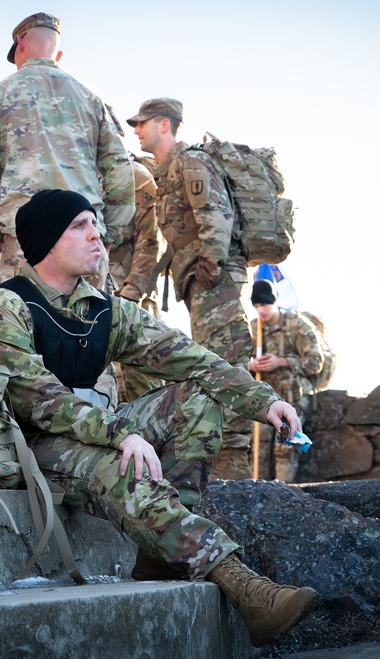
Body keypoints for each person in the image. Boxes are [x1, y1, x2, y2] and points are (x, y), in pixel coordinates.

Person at [0, 189, 320, 647]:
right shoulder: (6, 305)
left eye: (94, 223)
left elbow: (189, 358)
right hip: (33, 446)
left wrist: (263, 401)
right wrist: (121, 433)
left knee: (197, 398)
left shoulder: (104, 310)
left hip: (97, 432)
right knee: (123, 466)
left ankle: (161, 556)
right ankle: (247, 590)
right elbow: (39, 399)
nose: (96, 235)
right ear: (47, 242)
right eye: (79, 226)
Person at [127, 97, 254, 480]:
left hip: (215, 281)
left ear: (164, 124)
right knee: (211, 361)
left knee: (225, 361)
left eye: (143, 122)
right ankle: (222, 458)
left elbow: (216, 214)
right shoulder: (165, 171)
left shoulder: (190, 162)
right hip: (199, 283)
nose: (137, 130)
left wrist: (209, 268)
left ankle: (233, 461)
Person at [0, 12, 134, 293]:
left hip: (26, 239)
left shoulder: (1, 94)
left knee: (23, 317)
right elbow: (120, 169)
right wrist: (107, 233)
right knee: (93, 319)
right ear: (58, 54)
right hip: (85, 236)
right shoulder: (90, 99)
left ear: (20, 43)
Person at [247, 280, 325, 483]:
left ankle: (282, 493)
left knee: (285, 447)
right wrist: (251, 365)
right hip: (264, 400)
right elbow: (234, 363)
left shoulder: (297, 324)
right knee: (257, 448)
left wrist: (281, 362)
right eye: (257, 306)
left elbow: (316, 362)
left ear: (274, 301)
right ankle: (257, 493)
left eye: (265, 304)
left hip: (293, 397)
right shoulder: (253, 328)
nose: (261, 310)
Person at [108, 154, 166, 402]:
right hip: (98, 298)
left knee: (143, 385)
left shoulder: (136, 177)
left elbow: (151, 242)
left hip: (134, 297)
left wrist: (131, 295)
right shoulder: (81, 174)